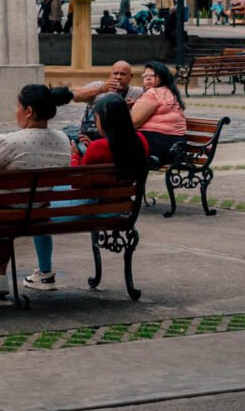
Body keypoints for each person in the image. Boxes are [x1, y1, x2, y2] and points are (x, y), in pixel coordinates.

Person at [23, 93, 150, 290]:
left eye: (97, 118)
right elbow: (116, 159)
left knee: (39, 206)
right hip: (121, 208)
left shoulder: (99, 148)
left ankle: (45, 272)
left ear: (105, 121)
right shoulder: (141, 140)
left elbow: (77, 184)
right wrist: (91, 153)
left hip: (92, 209)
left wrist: (75, 156)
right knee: (51, 194)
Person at [0, 84, 74, 296]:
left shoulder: (8, 141)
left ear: (28, 111)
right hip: (39, 212)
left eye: (17, 106)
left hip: (5, 213)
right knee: (7, 208)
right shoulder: (63, 140)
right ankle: (26, 272)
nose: (16, 111)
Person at [72, 60, 144, 145]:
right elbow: (75, 97)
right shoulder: (99, 85)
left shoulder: (138, 92)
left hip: (118, 137)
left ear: (130, 76)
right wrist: (100, 90)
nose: (118, 77)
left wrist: (136, 105)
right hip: (90, 132)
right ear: (110, 75)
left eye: (123, 74)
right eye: (115, 73)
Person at [130, 61, 186, 164]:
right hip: (175, 147)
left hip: (158, 147)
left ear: (163, 77)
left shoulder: (153, 93)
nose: (148, 78)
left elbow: (133, 124)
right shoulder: (170, 92)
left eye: (153, 75)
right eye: (145, 75)